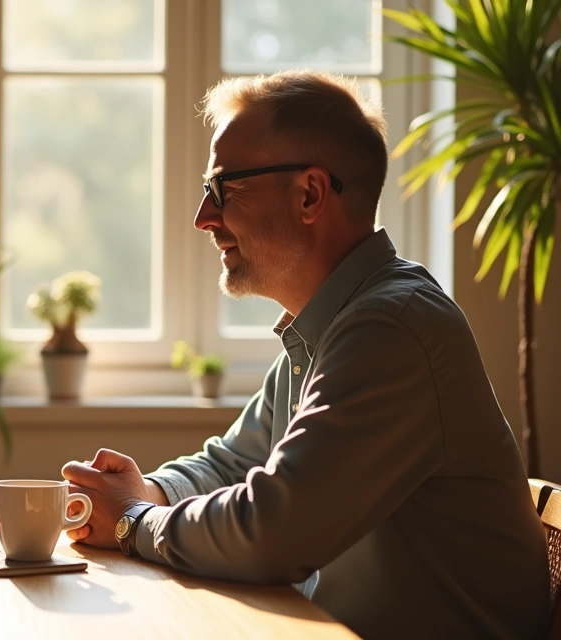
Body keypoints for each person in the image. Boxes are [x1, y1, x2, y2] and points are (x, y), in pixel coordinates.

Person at [61, 70, 551, 639]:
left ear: (311, 194)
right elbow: (232, 464)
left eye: (223, 186)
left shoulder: (392, 329)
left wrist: (133, 522)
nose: (203, 216)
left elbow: (273, 531)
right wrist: (144, 491)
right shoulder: (330, 326)